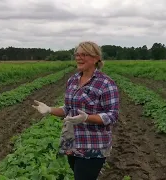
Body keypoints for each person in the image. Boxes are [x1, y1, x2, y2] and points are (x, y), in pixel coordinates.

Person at [32, 41, 120, 180]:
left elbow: (112, 115)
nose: (79, 58)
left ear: (96, 58)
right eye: (77, 54)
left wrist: (87, 118)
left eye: (84, 54)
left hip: (93, 146)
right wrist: (49, 109)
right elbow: (68, 109)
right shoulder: (72, 80)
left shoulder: (106, 83)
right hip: (72, 142)